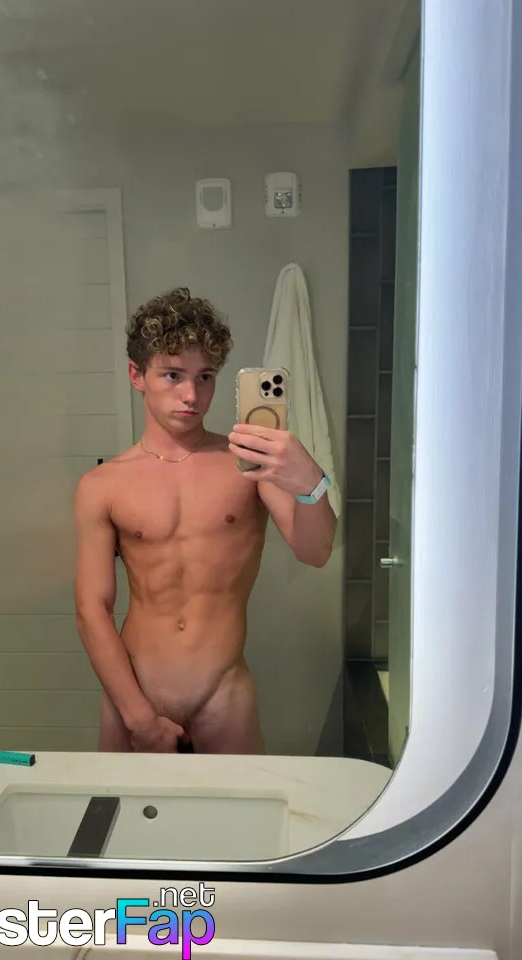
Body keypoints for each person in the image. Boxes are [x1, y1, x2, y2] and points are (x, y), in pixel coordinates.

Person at [73, 287, 336, 754]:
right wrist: (139, 719)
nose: (192, 395)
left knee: (238, 806)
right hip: (132, 695)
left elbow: (315, 552)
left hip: (223, 695)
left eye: (205, 377)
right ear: (137, 375)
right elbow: (92, 608)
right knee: (119, 806)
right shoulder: (102, 485)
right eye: (173, 375)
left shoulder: (248, 462)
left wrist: (310, 481)